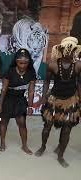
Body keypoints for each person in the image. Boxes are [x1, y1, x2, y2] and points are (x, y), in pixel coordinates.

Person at [34, 37, 81, 168]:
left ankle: (60, 155)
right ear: (60, 49)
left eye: (71, 50)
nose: (68, 52)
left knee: (67, 130)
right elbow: (47, 81)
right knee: (47, 127)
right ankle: (43, 147)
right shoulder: (53, 64)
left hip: (71, 100)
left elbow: (78, 83)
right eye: (66, 49)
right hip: (54, 100)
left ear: (75, 51)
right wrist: (44, 96)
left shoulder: (78, 65)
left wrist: (80, 99)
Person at [0, 49, 36, 154]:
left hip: (20, 100)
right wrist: (0, 104)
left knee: (22, 123)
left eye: (25, 63)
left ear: (29, 62)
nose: (23, 65)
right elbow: (4, 89)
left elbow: (31, 91)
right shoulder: (9, 71)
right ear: (16, 61)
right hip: (8, 99)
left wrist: (30, 107)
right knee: (4, 122)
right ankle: (2, 143)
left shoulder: (31, 73)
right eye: (20, 63)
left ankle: (24, 145)